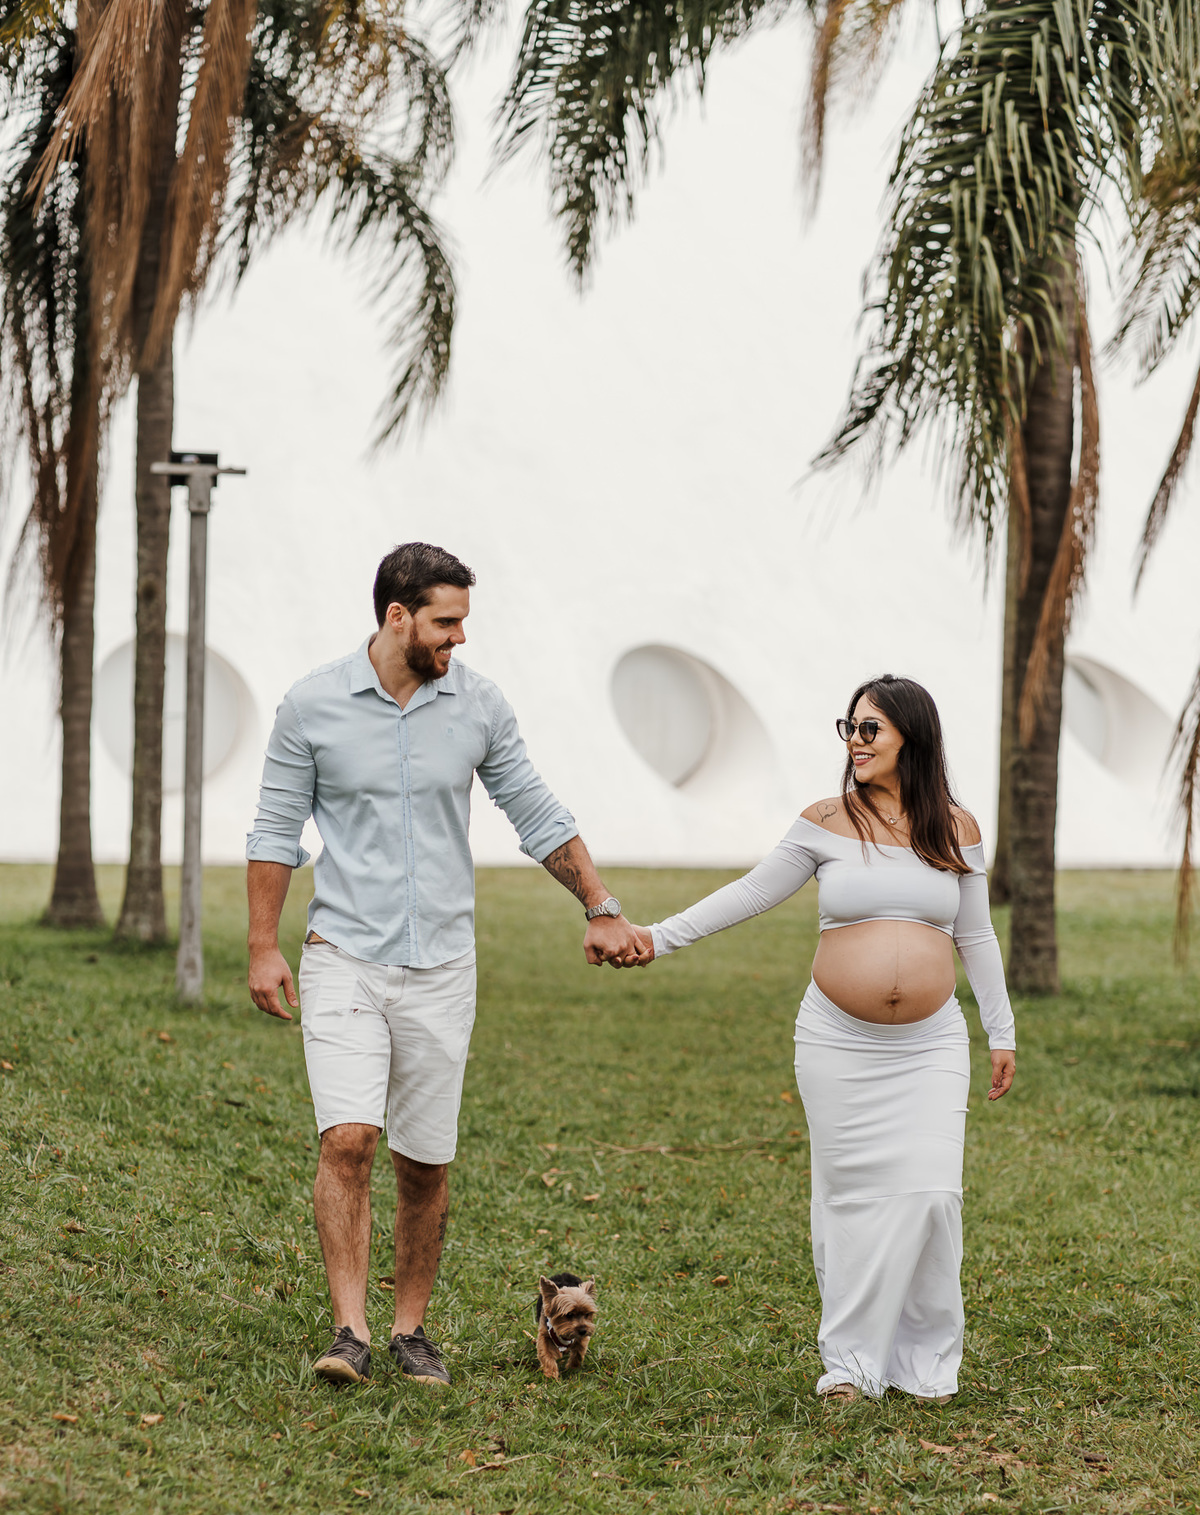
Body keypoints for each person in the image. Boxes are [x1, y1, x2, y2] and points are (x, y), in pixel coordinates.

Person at [245, 542, 645, 1388]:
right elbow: (275, 830)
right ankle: (349, 1332)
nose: (459, 638)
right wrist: (262, 946)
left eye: (462, 622)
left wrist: (600, 904)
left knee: (423, 1163)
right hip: (343, 956)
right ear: (398, 617)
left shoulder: (478, 704)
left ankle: (410, 1330)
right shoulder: (312, 704)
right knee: (348, 1140)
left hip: (442, 969)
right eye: (446, 622)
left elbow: (534, 810)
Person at [626, 675, 1015, 1404]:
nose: (854, 742)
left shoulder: (955, 827)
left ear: (911, 737)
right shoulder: (825, 821)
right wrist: (657, 937)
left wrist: (1003, 1030)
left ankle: (925, 1363)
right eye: (850, 728)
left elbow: (977, 934)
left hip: (930, 1044)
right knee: (851, 1200)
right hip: (838, 1042)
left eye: (870, 729)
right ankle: (851, 1366)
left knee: (933, 1196)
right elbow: (749, 893)